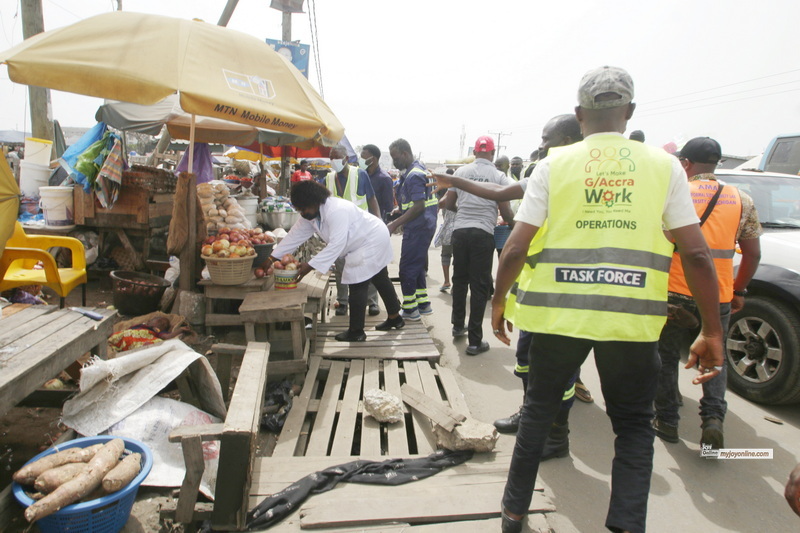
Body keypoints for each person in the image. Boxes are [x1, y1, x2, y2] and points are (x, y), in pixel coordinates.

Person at [493, 66, 723, 533]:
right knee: (635, 427)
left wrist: (498, 303)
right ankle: (625, 525)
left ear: (579, 115)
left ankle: (513, 515)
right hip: (631, 323)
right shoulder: (663, 166)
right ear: (630, 112)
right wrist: (712, 330)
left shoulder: (553, 166)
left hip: (558, 319)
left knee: (537, 415)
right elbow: (696, 253)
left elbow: (516, 246)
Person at [433, 115, 592, 453]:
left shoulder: (563, 172)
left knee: (555, 368)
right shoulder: (533, 172)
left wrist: (500, 297)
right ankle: (526, 407)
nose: (541, 145)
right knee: (522, 348)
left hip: (560, 284)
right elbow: (502, 197)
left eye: (546, 139)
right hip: (540, 277)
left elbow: (510, 239)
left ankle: (555, 434)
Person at [654, 136, 762, 449]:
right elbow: (752, 254)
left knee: (667, 355)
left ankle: (667, 420)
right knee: (716, 356)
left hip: (674, 291)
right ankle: (713, 418)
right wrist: (739, 288)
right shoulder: (741, 199)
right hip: (719, 295)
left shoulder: (674, 194)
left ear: (685, 163)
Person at [267, 181, 404, 341]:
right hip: (366, 238)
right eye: (300, 210)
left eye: (303, 209)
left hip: (371, 239)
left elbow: (337, 244)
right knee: (380, 278)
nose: (302, 213)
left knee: (357, 284)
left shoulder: (336, 210)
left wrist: (309, 266)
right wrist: (271, 257)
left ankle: (356, 331)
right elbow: (294, 236)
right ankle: (395, 318)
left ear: (314, 202)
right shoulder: (311, 214)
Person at [443, 136, 514, 355]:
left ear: (474, 152)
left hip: (461, 232)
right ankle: (475, 341)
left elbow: (447, 203)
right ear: (492, 154)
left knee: (460, 280)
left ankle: (457, 326)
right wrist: (515, 226)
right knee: (480, 285)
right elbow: (505, 209)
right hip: (483, 233)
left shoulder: (461, 173)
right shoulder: (498, 176)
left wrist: (464, 213)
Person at [325, 145, 382, 317]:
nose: (333, 162)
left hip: (361, 230)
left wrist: (378, 220)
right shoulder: (328, 179)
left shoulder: (360, 174)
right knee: (341, 269)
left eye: (336, 158)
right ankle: (343, 302)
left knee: (366, 265)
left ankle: (372, 302)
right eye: (331, 158)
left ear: (346, 159)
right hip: (340, 232)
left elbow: (371, 198)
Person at [387, 138, 437, 321]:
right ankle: (423, 304)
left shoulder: (414, 175)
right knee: (416, 266)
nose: (394, 161)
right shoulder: (415, 171)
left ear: (405, 154)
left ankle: (409, 309)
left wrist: (394, 224)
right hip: (423, 225)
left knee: (407, 267)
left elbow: (418, 206)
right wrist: (399, 210)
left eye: (395, 157)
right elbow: (413, 203)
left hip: (418, 227)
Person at [108, 316, 191, 353]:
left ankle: (142, 348)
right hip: (129, 336)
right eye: (159, 320)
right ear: (148, 322)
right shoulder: (141, 326)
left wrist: (180, 330)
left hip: (145, 340)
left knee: (159, 342)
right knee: (119, 336)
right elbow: (127, 331)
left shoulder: (157, 331)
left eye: (164, 325)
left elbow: (167, 337)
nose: (162, 323)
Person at [361, 144, 395, 222]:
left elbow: (388, 207)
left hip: (376, 222)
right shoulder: (361, 175)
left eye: (363, 158)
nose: (361, 160)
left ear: (373, 159)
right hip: (361, 221)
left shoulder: (384, 179)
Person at [435, 168, 456, 292]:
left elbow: (441, 203)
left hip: (450, 228)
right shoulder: (466, 191)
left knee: (446, 255)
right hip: (460, 229)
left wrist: (449, 191)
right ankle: (454, 283)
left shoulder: (451, 191)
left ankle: (447, 281)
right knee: (458, 258)